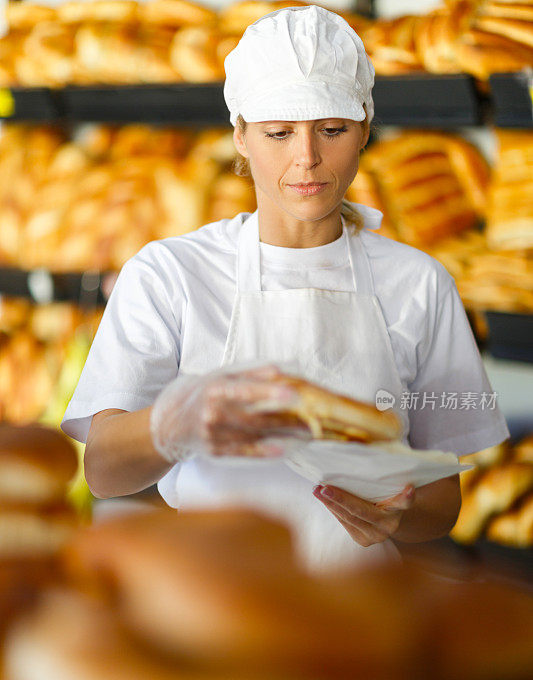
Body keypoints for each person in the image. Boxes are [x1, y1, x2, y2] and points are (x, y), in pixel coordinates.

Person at [61, 5, 509, 570]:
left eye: (332, 129)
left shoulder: (418, 283)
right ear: (241, 135)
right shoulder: (170, 274)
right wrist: (175, 422)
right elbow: (103, 472)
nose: (307, 159)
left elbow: (444, 500)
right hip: (218, 599)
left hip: (364, 607)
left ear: (365, 127)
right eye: (278, 132)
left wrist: (402, 513)